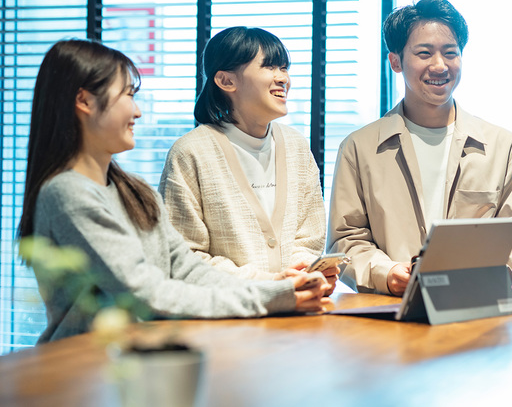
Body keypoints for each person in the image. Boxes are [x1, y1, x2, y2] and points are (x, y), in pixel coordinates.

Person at [17, 39, 330, 343]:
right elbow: (147, 293)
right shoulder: (68, 193)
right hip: (85, 364)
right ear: (84, 101)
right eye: (128, 94)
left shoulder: (135, 190)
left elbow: (186, 269)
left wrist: (277, 288)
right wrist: (273, 297)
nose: (137, 112)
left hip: (140, 355)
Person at [328, 0, 512, 295]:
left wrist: (474, 284)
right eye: (424, 53)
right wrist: (386, 273)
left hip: (472, 307)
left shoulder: (505, 147)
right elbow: (345, 238)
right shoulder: (359, 148)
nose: (439, 66)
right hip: (388, 308)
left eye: (450, 53)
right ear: (395, 62)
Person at [159, 27, 337, 289]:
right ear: (226, 81)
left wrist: (305, 271)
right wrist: (270, 283)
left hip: (299, 304)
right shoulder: (190, 152)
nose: (283, 78)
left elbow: (309, 238)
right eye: (269, 67)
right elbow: (185, 255)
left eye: (284, 68)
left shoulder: (296, 146)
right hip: (226, 308)